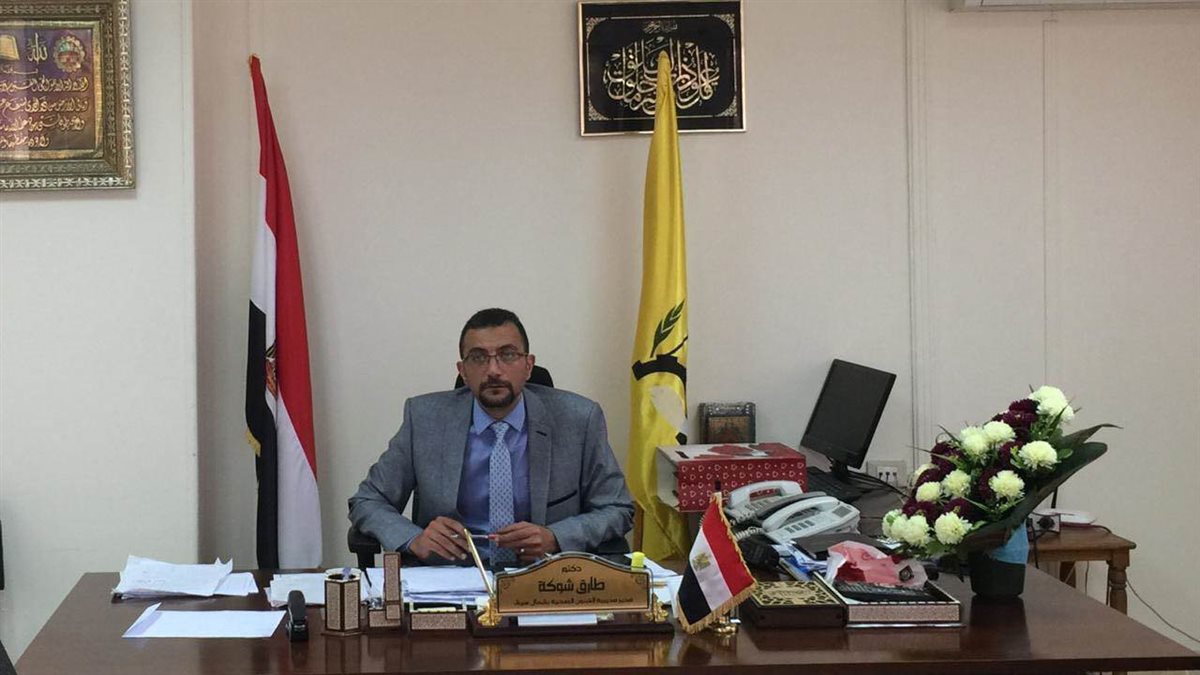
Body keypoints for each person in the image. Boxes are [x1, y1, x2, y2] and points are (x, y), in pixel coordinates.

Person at [349, 308, 634, 565]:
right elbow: (368, 501)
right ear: (462, 371)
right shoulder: (424, 419)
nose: (494, 370)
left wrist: (556, 537)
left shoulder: (578, 419)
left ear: (528, 366)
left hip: (542, 578)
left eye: (508, 355)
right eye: (478, 358)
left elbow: (617, 508)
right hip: (450, 577)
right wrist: (414, 538)